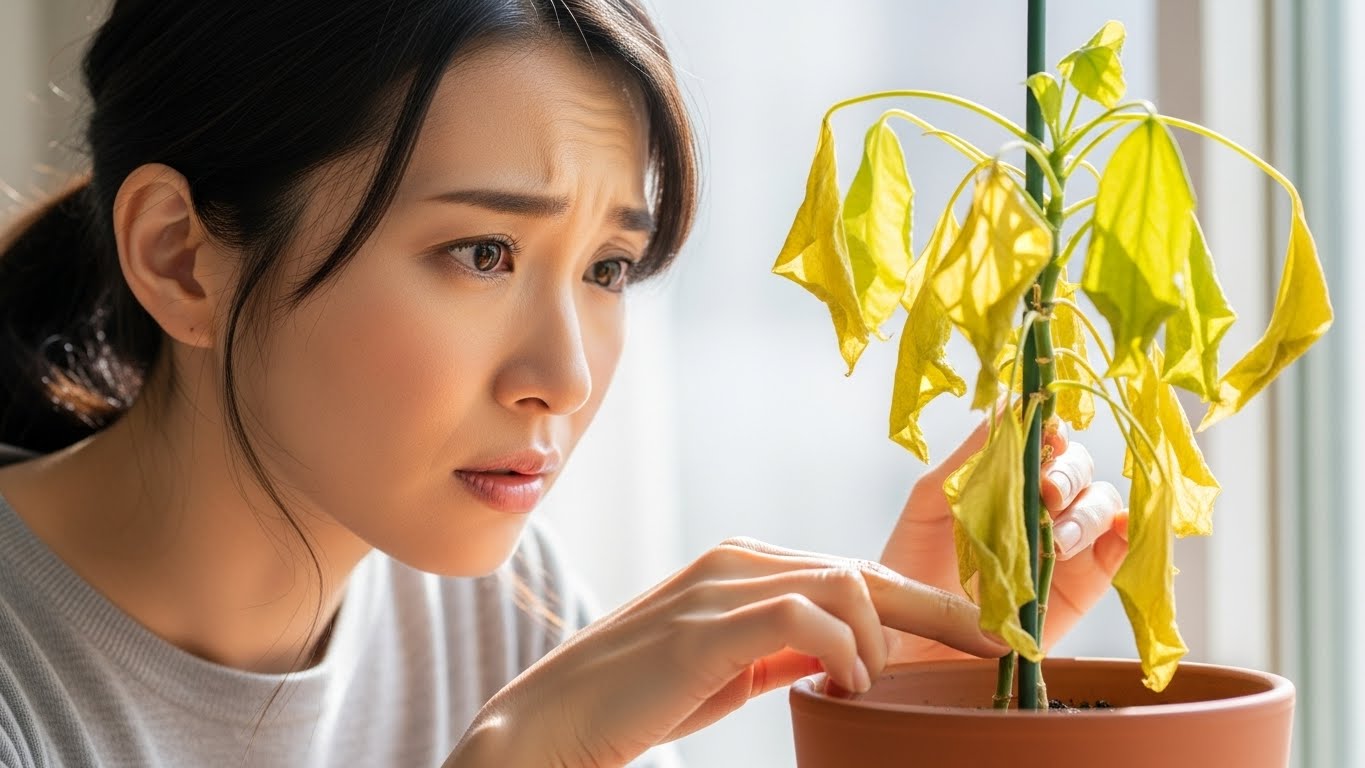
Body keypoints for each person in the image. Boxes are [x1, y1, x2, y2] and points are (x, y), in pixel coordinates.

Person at [0, 1, 1128, 766]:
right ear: (179, 257)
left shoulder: (499, 605)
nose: (569, 377)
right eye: (482, 253)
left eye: (607, 269)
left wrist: (908, 715)